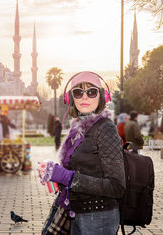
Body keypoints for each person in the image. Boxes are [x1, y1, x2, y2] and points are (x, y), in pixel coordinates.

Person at [38, 71, 125, 234]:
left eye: (91, 92)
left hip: (98, 219)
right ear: (71, 99)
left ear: (101, 97)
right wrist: (56, 175)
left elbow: (116, 186)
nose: (84, 97)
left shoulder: (105, 129)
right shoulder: (78, 130)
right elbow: (83, 169)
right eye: (78, 92)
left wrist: (68, 177)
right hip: (76, 213)